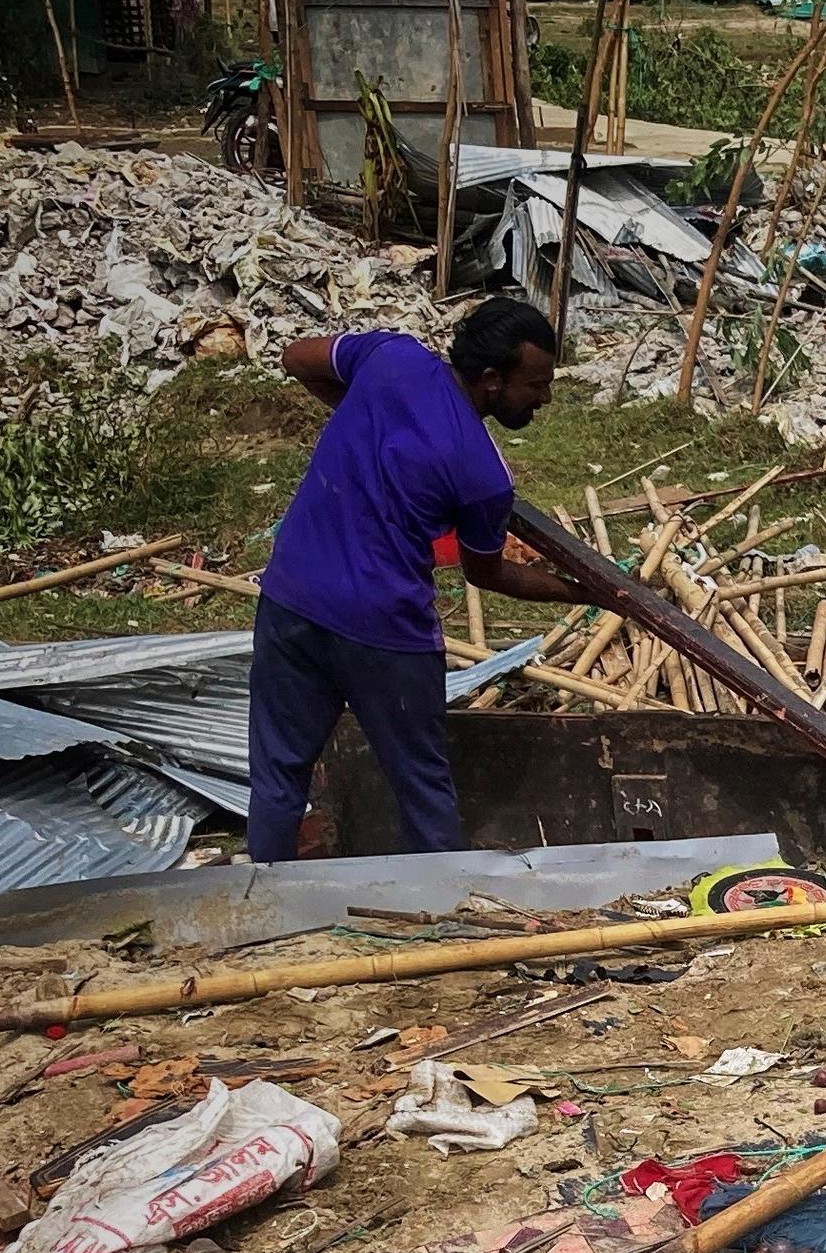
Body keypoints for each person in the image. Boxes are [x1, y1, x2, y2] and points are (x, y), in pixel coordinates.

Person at [246, 298, 583, 862]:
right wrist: (580, 591)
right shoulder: (482, 473)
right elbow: (487, 572)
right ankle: (445, 917)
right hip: (384, 633)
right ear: (492, 381)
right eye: (536, 384)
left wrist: (357, 413)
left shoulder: (388, 358)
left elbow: (295, 357)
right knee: (422, 786)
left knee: (279, 774)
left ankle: (262, 909)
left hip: (292, 599)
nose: (545, 397)